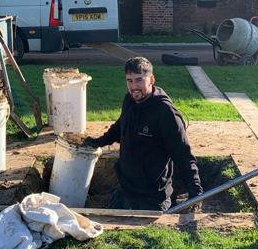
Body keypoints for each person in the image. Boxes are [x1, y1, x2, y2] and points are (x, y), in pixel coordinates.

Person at [84, 56, 202, 212]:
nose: (134, 87)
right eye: (129, 81)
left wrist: (196, 192)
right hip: (126, 188)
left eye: (139, 80)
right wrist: (99, 141)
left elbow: (183, 154)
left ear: (151, 79)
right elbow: (120, 127)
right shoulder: (130, 100)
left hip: (153, 196)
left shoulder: (166, 113)